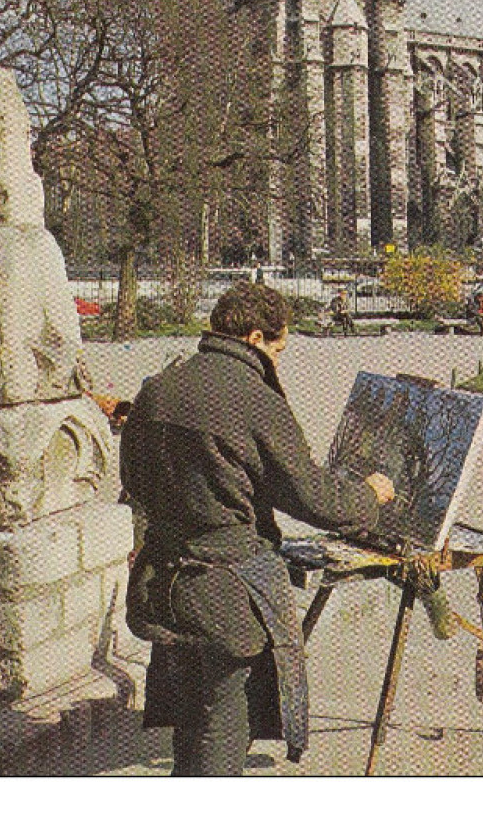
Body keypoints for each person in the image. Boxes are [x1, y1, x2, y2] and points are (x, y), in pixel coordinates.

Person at [121, 281, 396, 775]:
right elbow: (312, 496)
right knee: (225, 723)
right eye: (278, 348)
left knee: (190, 717)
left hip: (158, 580)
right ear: (254, 338)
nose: (279, 361)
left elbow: (132, 480)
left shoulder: (158, 387)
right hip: (222, 591)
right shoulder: (254, 400)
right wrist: (368, 496)